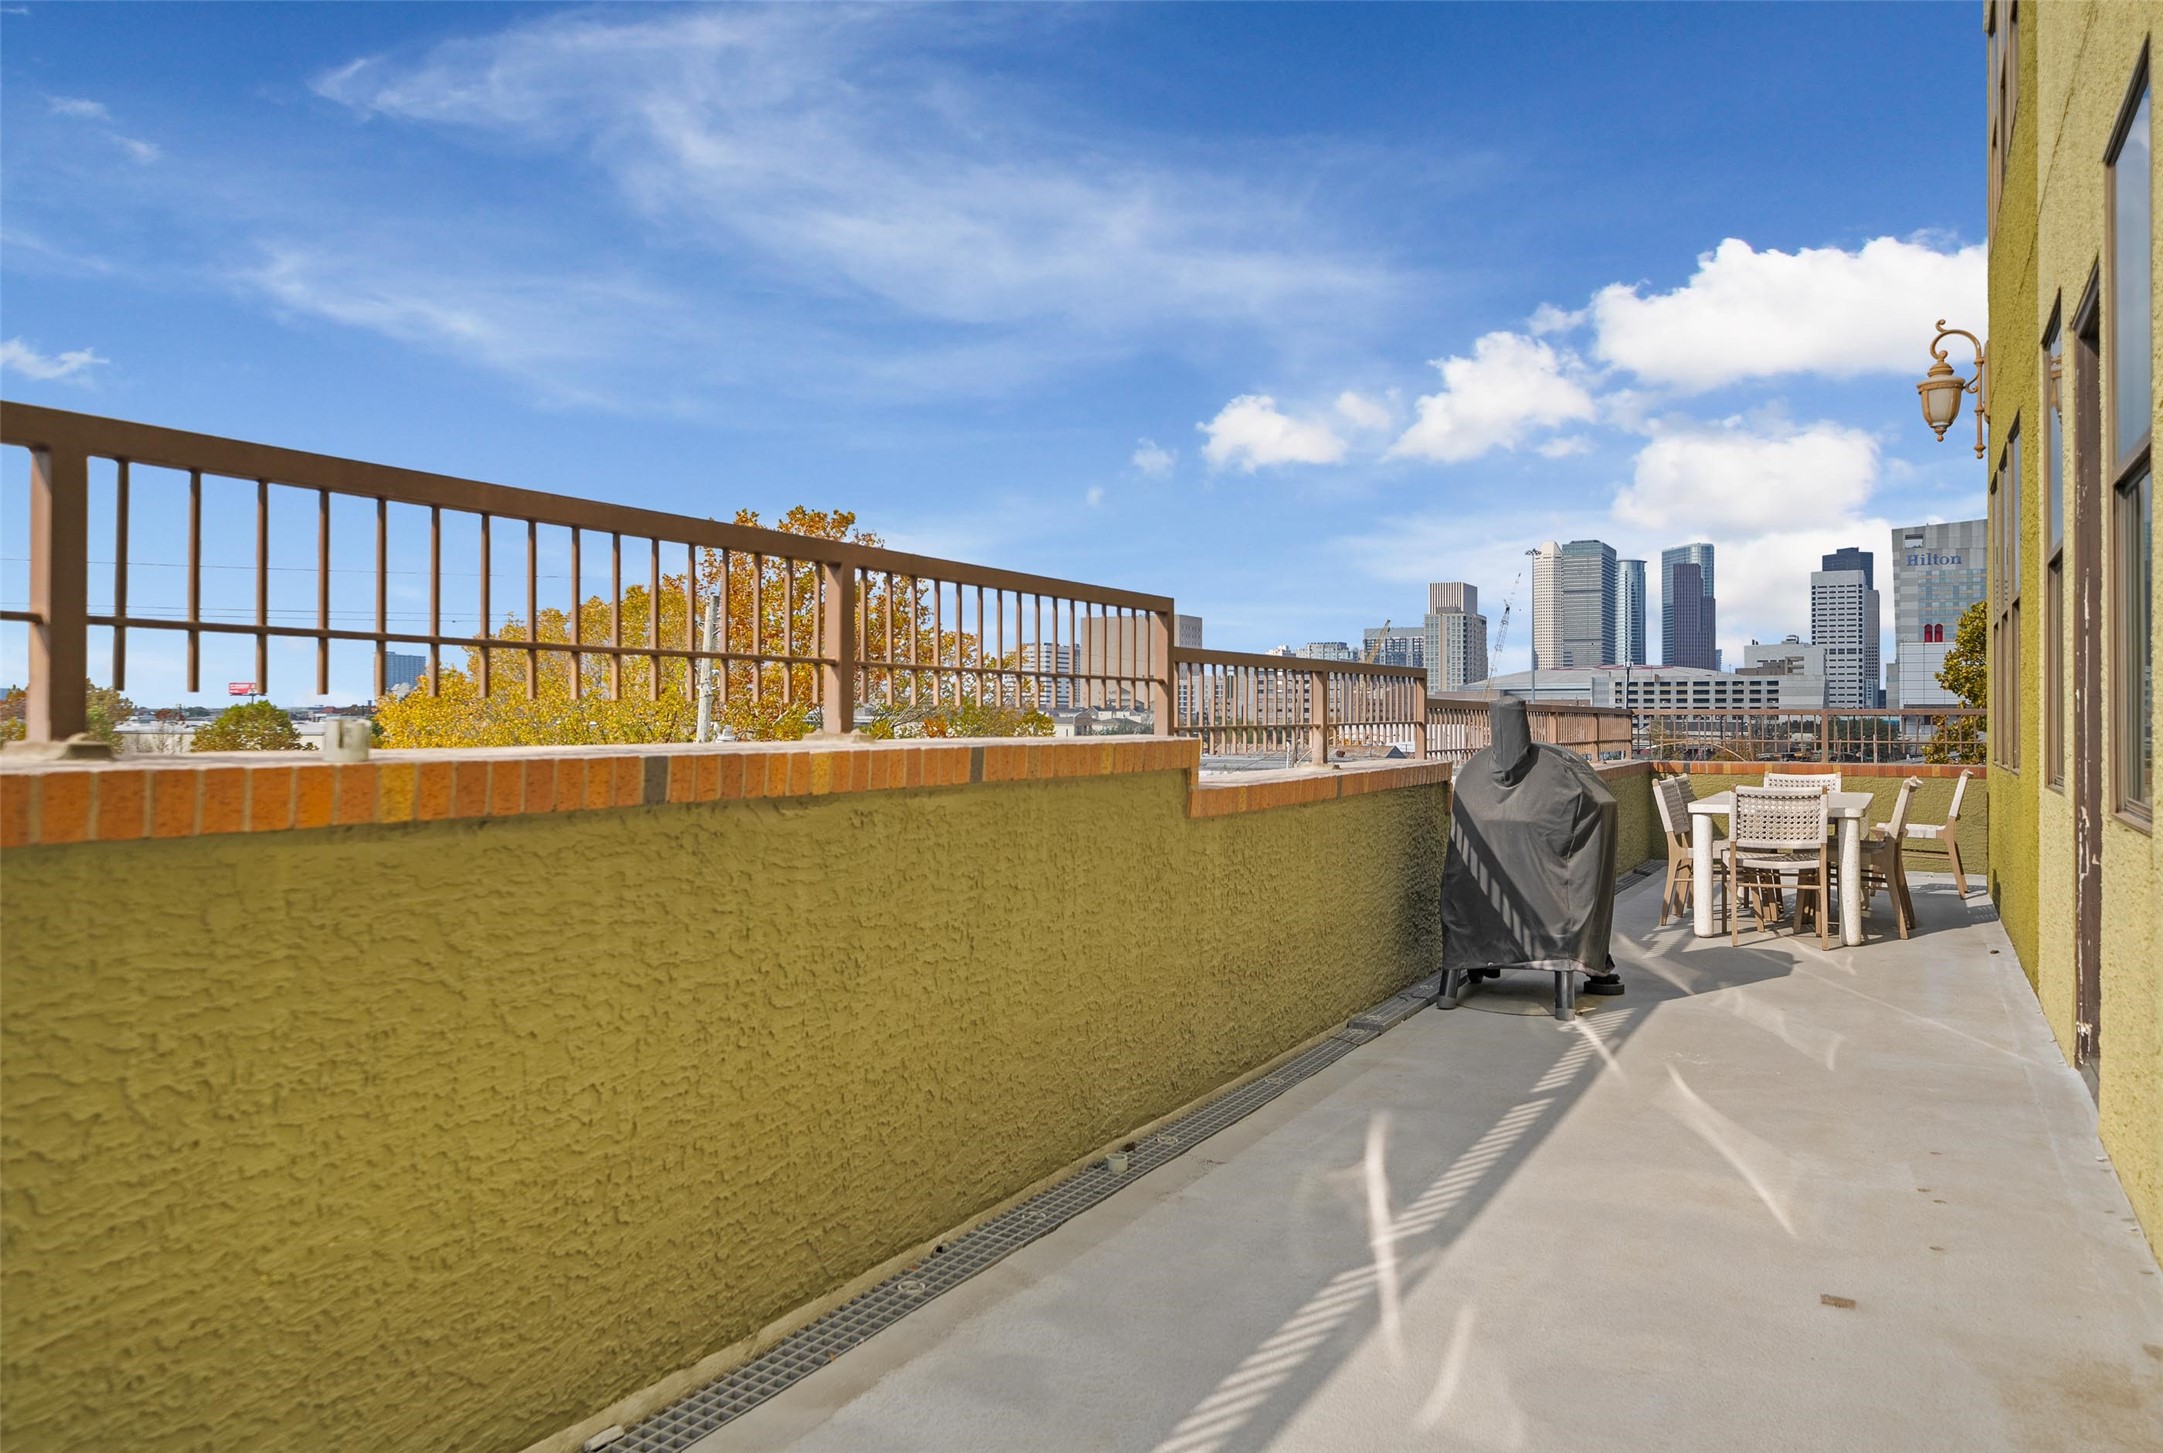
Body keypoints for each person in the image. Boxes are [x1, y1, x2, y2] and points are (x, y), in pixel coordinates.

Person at [1438, 698, 1624, 1015]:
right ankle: (1570, 968)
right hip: (1557, 924)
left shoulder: (1472, 777)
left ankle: (1461, 974)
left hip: (1480, 917)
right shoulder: (1556, 773)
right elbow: (1601, 804)